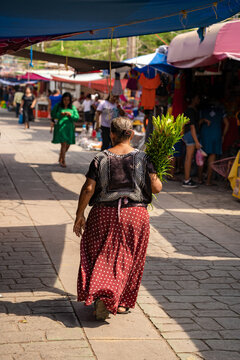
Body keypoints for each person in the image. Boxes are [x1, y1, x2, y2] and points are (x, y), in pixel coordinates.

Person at [73, 117, 162, 321]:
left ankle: (102, 295)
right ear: (131, 134)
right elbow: (156, 188)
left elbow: (88, 188)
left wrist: (79, 215)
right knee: (131, 258)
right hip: (135, 215)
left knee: (97, 253)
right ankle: (121, 302)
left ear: (111, 134)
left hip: (103, 213)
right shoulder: (143, 158)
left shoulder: (101, 158)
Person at [199, 98, 229, 185]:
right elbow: (227, 123)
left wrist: (204, 120)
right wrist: (223, 135)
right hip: (216, 134)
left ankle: (200, 179)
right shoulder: (221, 110)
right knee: (212, 158)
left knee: (201, 157)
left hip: (205, 135)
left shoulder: (203, 109)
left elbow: (198, 122)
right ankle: (208, 181)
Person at [51, 92, 79, 167]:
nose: (66, 101)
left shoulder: (72, 108)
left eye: (68, 100)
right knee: (63, 144)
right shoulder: (58, 106)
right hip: (60, 127)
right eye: (64, 100)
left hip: (69, 128)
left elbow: (76, 118)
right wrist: (60, 114)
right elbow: (53, 115)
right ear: (62, 100)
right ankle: (63, 161)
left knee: (68, 144)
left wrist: (70, 115)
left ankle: (61, 156)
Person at [182, 93, 201, 188]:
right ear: (193, 99)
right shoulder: (190, 111)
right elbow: (192, 126)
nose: (199, 100)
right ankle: (186, 180)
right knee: (189, 158)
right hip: (191, 135)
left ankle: (187, 178)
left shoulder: (190, 110)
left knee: (189, 158)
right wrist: (197, 141)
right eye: (197, 98)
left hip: (188, 135)